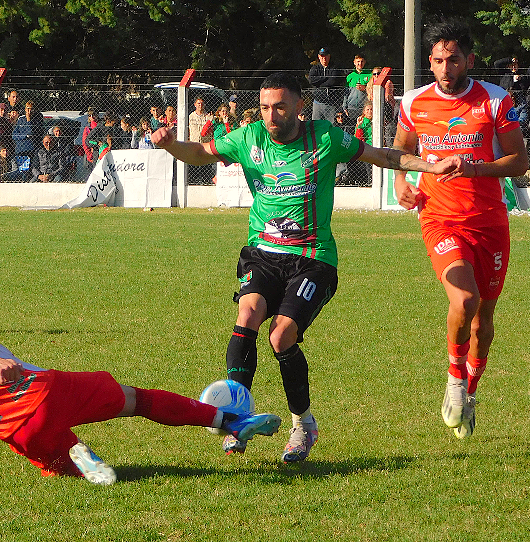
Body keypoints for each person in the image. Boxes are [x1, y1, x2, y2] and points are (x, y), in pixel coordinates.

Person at [151, 71, 461, 462]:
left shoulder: (326, 138)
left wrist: (431, 167)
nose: (271, 115)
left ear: (300, 105)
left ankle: (303, 425)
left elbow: (382, 155)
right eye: (265, 107)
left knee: (281, 337)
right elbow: (201, 153)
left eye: (280, 106)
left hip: (313, 260)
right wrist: (171, 145)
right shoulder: (248, 137)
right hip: (263, 253)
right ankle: (237, 417)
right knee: (247, 314)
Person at [0, 254, 281, 485]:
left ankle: (76, 455)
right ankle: (229, 421)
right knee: (135, 400)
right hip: (38, 393)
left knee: (64, 472)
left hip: (11, 432)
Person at [391, 20, 528, 440]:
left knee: (483, 318)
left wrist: (475, 169)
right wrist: (401, 182)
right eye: (437, 61)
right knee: (465, 299)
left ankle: (470, 390)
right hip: (439, 217)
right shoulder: (414, 102)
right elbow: (401, 149)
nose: (445, 68)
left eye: (453, 60)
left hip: (489, 221)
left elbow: (519, 161)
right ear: (430, 62)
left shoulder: (495, 100)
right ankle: (454, 378)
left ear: (468, 60)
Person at [307, 48, 346, 121]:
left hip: (331, 104)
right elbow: (311, 80)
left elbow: (332, 82)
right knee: (316, 125)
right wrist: (325, 78)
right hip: (317, 103)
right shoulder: (315, 68)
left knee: (330, 125)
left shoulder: (334, 68)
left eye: (326, 56)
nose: (324, 58)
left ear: (329, 56)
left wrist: (318, 84)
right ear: (319, 57)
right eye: (322, 56)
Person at [343, 54, 371, 128]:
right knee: (350, 128)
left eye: (362, 61)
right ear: (354, 62)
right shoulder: (350, 76)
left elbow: (372, 90)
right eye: (358, 61)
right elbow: (346, 93)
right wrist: (344, 106)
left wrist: (365, 88)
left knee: (363, 127)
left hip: (363, 108)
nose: (360, 63)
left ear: (365, 62)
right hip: (351, 107)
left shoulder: (369, 75)